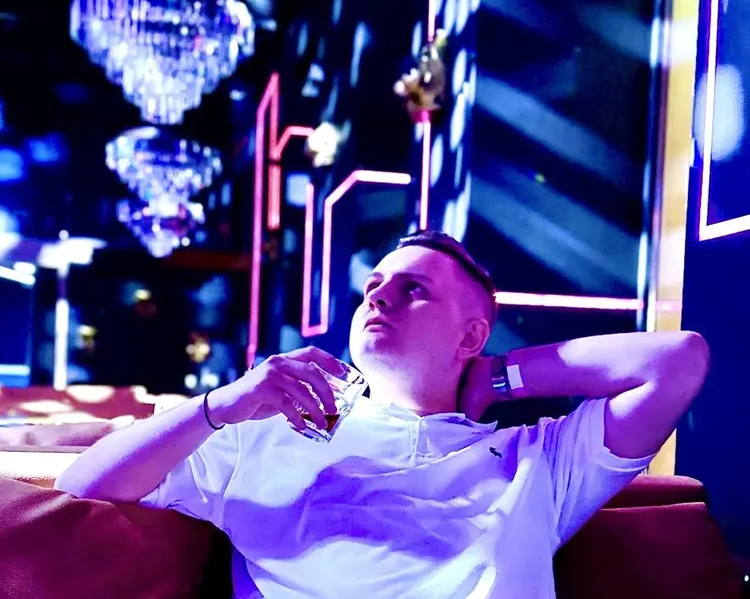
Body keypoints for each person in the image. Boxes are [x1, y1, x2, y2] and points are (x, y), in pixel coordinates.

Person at [55, 230, 709, 598]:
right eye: (373, 286)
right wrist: (221, 405)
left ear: (471, 336)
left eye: (412, 289)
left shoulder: (538, 460)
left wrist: (497, 378)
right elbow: (82, 485)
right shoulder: (263, 435)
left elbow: (677, 360)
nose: (378, 297)